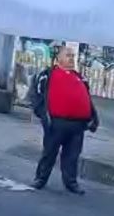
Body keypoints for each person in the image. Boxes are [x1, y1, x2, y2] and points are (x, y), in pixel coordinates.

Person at [29, 45, 99, 194]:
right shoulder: (48, 75)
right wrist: (43, 115)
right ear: (58, 58)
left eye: (73, 56)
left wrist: (93, 117)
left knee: (72, 156)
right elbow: (37, 95)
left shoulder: (79, 77)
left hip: (77, 125)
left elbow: (87, 98)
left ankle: (71, 182)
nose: (72, 59)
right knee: (49, 153)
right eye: (68, 55)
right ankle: (40, 178)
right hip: (56, 123)